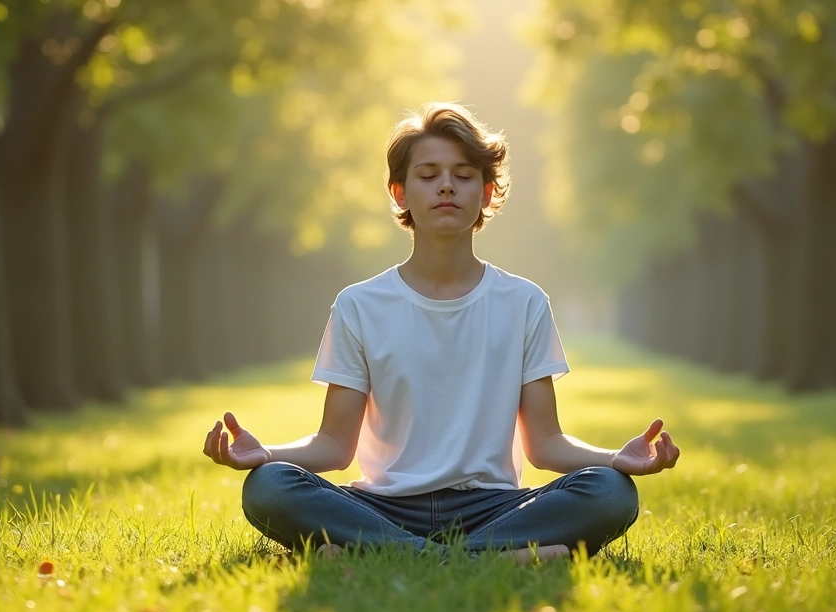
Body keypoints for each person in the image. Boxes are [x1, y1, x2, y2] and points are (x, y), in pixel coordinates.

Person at [201, 102, 680, 561]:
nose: (446, 187)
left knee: (610, 492)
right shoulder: (359, 305)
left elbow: (545, 444)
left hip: (493, 508)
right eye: (428, 176)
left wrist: (617, 458)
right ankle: (493, 558)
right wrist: (266, 453)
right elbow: (334, 444)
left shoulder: (524, 302)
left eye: (464, 175)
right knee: (269, 485)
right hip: (385, 507)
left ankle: (381, 553)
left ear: (487, 192)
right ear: (401, 193)